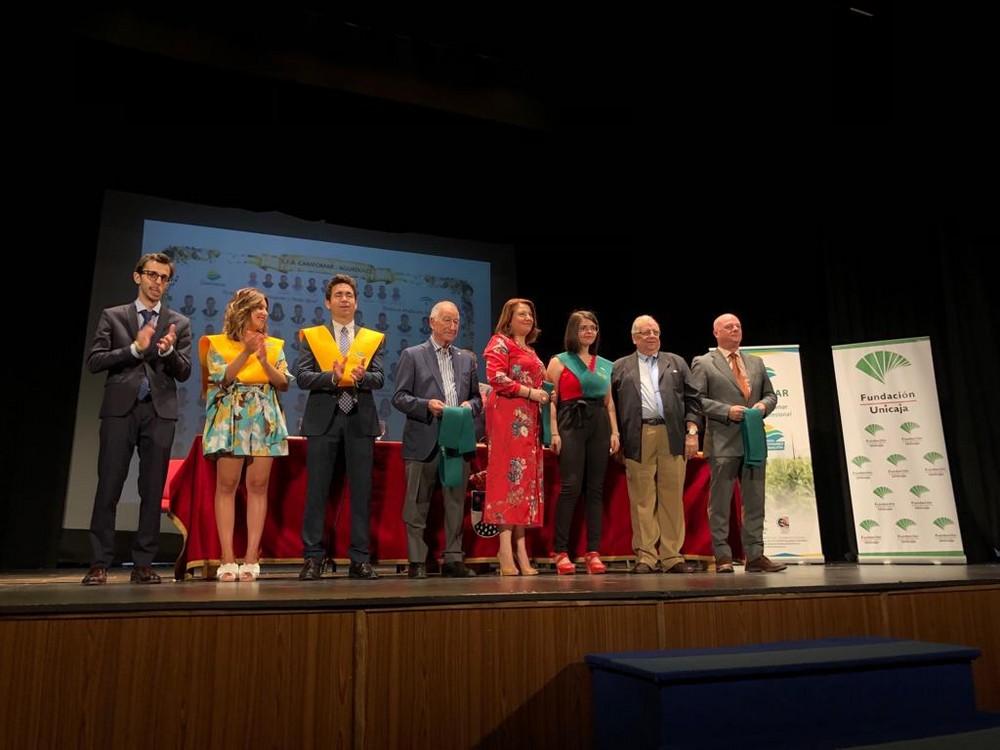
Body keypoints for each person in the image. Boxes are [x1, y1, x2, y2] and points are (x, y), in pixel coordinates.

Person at [82, 253, 192, 585]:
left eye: (164, 278)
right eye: (152, 275)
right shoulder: (113, 316)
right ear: (137, 277)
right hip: (121, 408)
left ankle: (143, 563)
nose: (157, 282)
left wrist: (168, 352)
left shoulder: (178, 323)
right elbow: (95, 361)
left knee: (151, 487)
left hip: (159, 412)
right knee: (110, 484)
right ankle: (99, 562)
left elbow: (184, 372)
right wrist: (133, 349)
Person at [294, 274, 385, 580]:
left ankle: (360, 559)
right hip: (324, 421)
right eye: (339, 295)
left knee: (361, 493)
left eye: (349, 295)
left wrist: (360, 377)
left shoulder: (371, 338)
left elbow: (380, 378)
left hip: (360, 421)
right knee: (316, 492)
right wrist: (332, 378)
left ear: (356, 301)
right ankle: (312, 558)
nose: (344, 299)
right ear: (327, 302)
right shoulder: (313, 336)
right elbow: (303, 376)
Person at [201, 288, 289, 582]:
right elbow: (222, 379)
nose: (264, 312)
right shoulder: (217, 343)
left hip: (264, 418)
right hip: (231, 417)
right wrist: (246, 352)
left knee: (258, 485)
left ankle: (251, 557)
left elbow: (284, 382)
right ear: (242, 312)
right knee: (227, 484)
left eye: (265, 307)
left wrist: (263, 360)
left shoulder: (274, 346)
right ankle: (227, 557)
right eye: (257, 308)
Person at [392, 301, 483, 578]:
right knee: (417, 502)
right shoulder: (412, 355)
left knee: (455, 501)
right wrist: (425, 405)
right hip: (424, 437)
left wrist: (470, 406)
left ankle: (454, 559)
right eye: (446, 320)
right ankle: (418, 560)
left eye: (456, 321)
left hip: (457, 438)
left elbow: (477, 397)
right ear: (431, 322)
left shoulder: (467, 359)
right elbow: (400, 397)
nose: (452, 326)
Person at [691, 313, 784, 573]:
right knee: (720, 502)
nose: (735, 329)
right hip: (723, 440)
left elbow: (770, 395)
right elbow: (696, 399)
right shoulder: (704, 362)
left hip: (753, 439)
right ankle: (722, 556)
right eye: (728, 326)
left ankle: (755, 556)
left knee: (755, 500)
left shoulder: (755, 362)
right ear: (716, 332)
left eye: (738, 326)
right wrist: (726, 410)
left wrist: (763, 406)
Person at [611, 315, 701, 574]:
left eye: (655, 332)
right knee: (642, 498)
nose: (652, 336)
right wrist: (616, 435)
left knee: (672, 496)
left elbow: (694, 399)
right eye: (645, 332)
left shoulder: (676, 362)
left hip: (672, 435)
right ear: (634, 338)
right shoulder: (620, 366)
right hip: (638, 436)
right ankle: (647, 556)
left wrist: (692, 431)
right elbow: (611, 406)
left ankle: (672, 556)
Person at [547, 311, 620, 575]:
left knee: (595, 490)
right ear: (573, 332)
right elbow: (550, 401)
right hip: (570, 421)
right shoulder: (559, 362)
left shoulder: (604, 365)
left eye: (593, 328)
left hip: (599, 423)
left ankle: (593, 552)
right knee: (570, 487)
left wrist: (615, 432)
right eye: (583, 328)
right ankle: (561, 551)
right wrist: (553, 433)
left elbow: (609, 403)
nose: (589, 332)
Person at [483, 298, 550, 575]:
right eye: (521, 314)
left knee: (524, 484)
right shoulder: (499, 342)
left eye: (530, 314)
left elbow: (539, 380)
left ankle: (522, 549)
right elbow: (496, 378)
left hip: (529, 423)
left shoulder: (530, 351)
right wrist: (530, 392)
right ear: (508, 319)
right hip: (507, 421)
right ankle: (504, 549)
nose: (527, 318)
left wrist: (546, 392)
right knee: (508, 480)